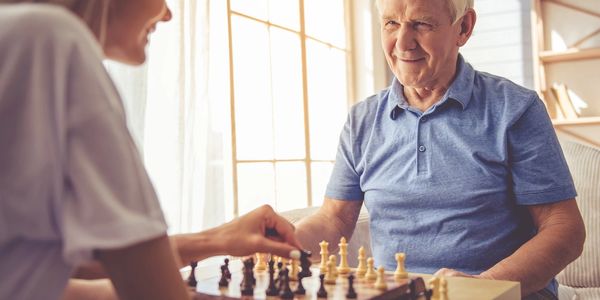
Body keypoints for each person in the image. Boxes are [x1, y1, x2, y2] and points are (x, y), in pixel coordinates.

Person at [0, 1, 301, 300]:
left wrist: (215, 239)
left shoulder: (19, 35)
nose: (168, 14)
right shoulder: (48, 39)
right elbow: (151, 290)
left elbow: (38, 273)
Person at [295, 0, 586, 299]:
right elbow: (335, 219)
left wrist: (484, 286)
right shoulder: (362, 120)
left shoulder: (516, 109)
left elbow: (564, 229)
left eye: (422, 24)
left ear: (463, 28)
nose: (403, 43)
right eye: (391, 24)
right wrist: (285, 242)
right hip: (396, 293)